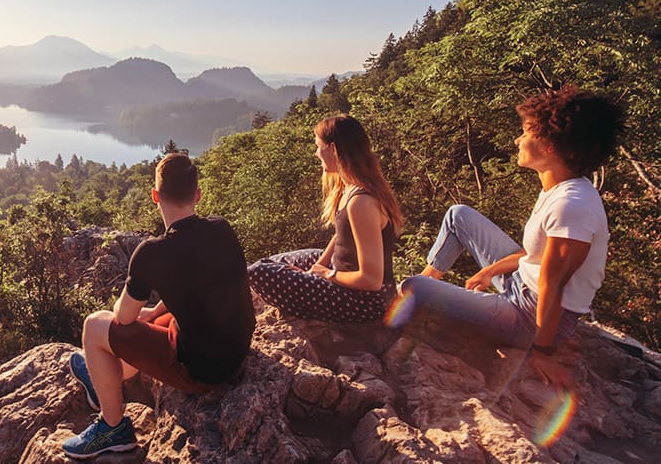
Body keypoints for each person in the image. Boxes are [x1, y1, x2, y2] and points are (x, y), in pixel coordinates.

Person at [396, 86, 623, 388]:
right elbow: (535, 258)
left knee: (412, 287)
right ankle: (431, 279)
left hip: (527, 316)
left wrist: (542, 350)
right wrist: (490, 270)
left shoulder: (572, 205)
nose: (518, 140)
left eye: (525, 133)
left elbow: (553, 284)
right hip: (522, 285)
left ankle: (426, 293)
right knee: (458, 215)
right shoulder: (560, 189)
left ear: (549, 146)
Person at [63, 153, 256, 459]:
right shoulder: (221, 227)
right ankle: (103, 378)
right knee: (150, 319)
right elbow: (199, 285)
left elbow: (123, 318)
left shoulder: (152, 253)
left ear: (155, 196)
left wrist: (132, 312)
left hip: (203, 370)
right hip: (236, 350)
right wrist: (154, 313)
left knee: (95, 326)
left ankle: (113, 428)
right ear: (197, 195)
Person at [248, 114, 403, 323]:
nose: (316, 153)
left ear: (333, 149)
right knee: (274, 262)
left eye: (318, 147)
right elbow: (341, 236)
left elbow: (371, 280)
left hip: (365, 302)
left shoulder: (362, 203)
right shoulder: (349, 187)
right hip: (344, 274)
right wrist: (317, 268)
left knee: (258, 272)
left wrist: (326, 274)